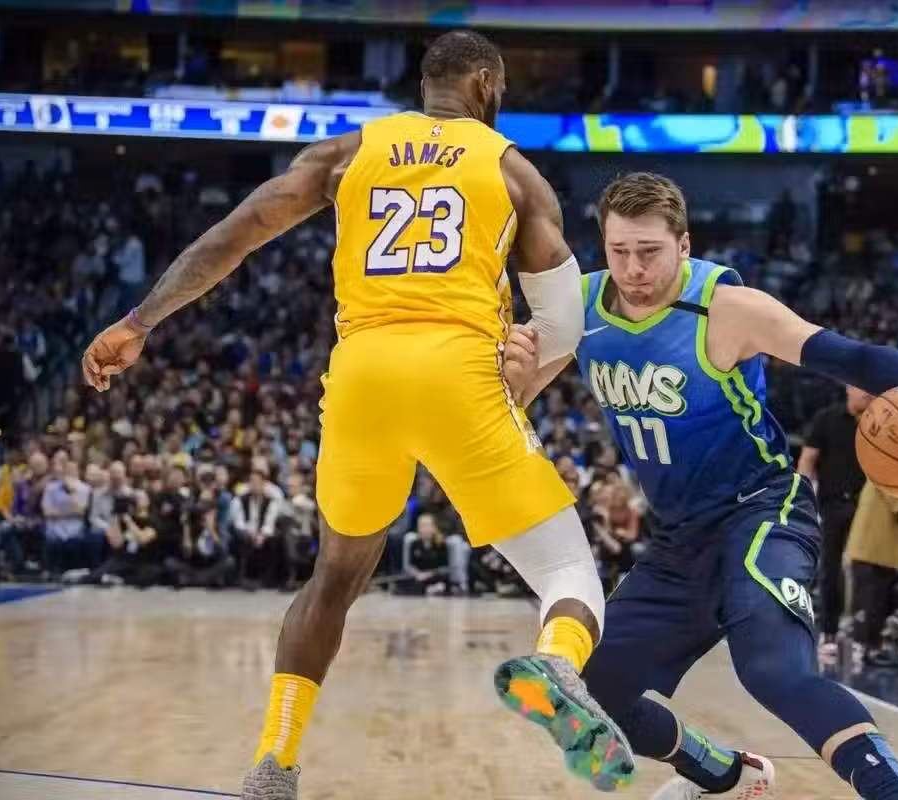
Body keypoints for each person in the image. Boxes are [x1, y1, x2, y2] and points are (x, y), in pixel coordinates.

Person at [81, 29, 633, 799]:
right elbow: (565, 322)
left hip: (361, 377)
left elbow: (236, 234)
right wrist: (522, 386)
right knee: (567, 570)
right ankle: (557, 665)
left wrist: (140, 321)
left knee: (334, 578)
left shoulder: (346, 154)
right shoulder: (512, 171)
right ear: (483, 83)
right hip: (458, 373)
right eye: (501, 88)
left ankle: (274, 761)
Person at [505, 172, 898, 799]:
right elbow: (514, 398)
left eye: (650, 251)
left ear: (684, 245)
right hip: (680, 537)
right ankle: (727, 774)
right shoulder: (582, 306)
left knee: (773, 671)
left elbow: (846, 356)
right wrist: (513, 373)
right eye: (619, 251)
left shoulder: (726, 307)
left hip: (761, 510)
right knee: (585, 695)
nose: (634, 269)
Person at [797, 385, 870, 656]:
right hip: (833, 502)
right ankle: (828, 630)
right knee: (830, 567)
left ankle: (864, 635)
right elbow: (808, 459)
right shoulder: (826, 419)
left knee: (866, 570)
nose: (867, 393)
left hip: (868, 505)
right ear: (849, 388)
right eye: (861, 388)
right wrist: (803, 497)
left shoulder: (881, 422)